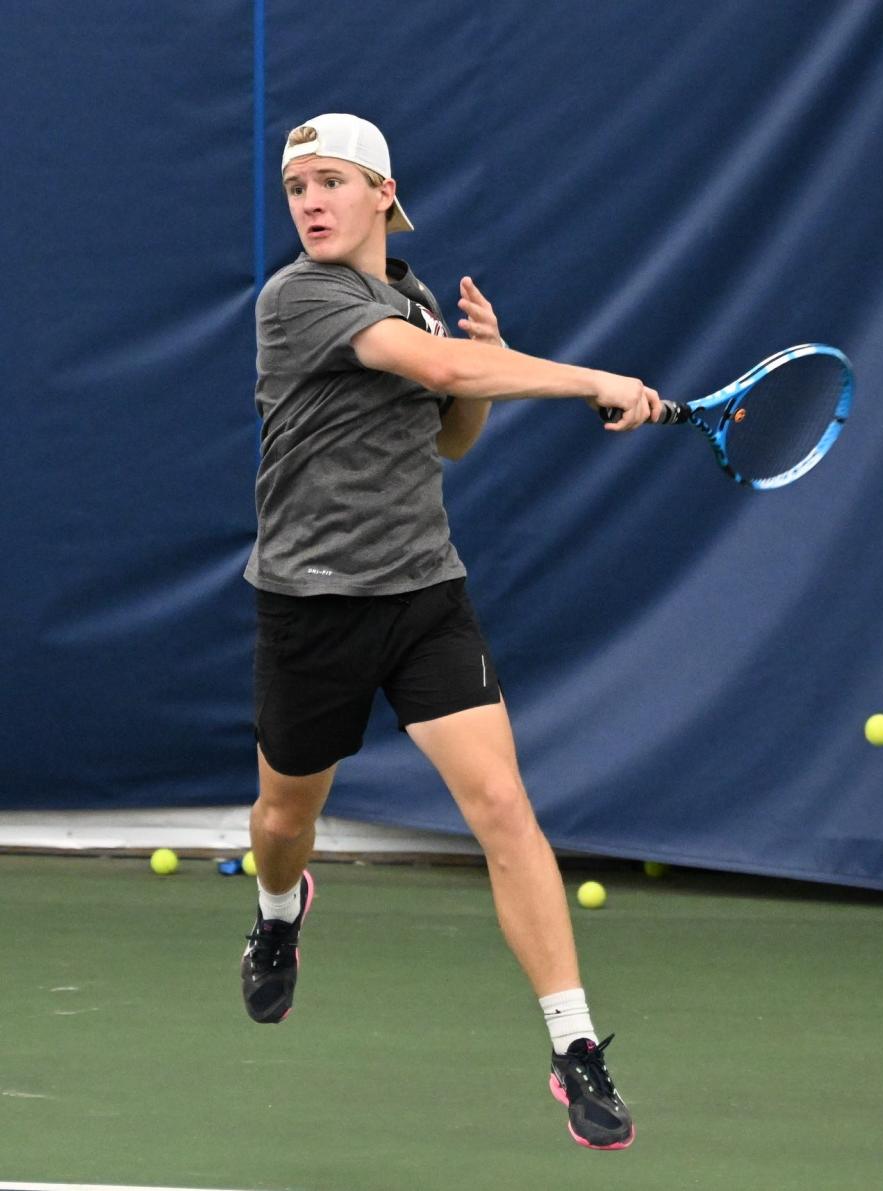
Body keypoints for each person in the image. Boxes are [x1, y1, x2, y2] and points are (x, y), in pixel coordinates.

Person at [241, 112, 661, 1151]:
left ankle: (574, 1049)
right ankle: (280, 916)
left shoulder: (415, 299)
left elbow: (451, 433)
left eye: (331, 183)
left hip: (425, 593)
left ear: (383, 193)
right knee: (280, 825)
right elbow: (445, 379)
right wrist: (582, 378)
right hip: (311, 606)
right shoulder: (299, 296)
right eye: (297, 188)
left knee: (504, 808)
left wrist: (489, 358)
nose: (310, 204)